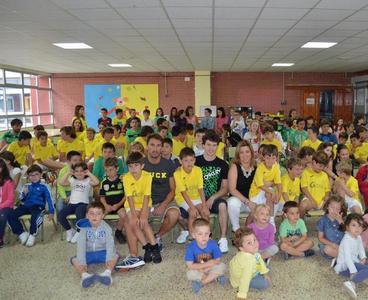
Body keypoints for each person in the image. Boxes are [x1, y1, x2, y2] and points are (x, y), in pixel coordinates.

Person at [123, 152, 162, 263]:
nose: (133, 169)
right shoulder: (126, 178)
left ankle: (155, 248)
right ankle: (147, 247)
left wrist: (144, 214)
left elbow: (146, 196)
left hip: (145, 203)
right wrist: (135, 216)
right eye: (130, 166)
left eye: (136, 166)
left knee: (144, 222)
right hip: (132, 205)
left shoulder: (147, 176)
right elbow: (129, 198)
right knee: (133, 222)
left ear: (142, 166)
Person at [195, 130, 229, 253]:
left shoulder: (223, 164)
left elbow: (225, 188)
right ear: (203, 145)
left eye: (214, 145)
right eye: (208, 145)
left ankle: (223, 239)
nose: (211, 148)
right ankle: (205, 241)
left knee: (223, 205)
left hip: (214, 197)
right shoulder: (196, 162)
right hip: (198, 198)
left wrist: (213, 197)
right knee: (200, 212)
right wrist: (204, 201)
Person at [71, 202, 118, 288]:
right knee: (75, 259)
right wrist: (82, 262)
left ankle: (107, 273)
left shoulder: (107, 228)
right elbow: (81, 246)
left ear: (103, 216)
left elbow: (110, 244)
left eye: (98, 214)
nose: (94, 216)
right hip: (88, 253)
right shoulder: (83, 228)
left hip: (103, 252)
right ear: (87, 215)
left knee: (115, 255)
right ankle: (84, 275)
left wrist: (108, 258)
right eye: (91, 213)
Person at [8, 165, 54, 247]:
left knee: (35, 217)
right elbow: (21, 200)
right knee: (11, 215)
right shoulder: (27, 186)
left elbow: (49, 199)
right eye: (31, 175)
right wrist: (24, 194)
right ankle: (21, 233)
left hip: (38, 207)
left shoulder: (44, 186)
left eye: (36, 174)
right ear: (28, 176)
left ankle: (32, 235)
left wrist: (51, 211)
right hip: (26, 206)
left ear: (41, 174)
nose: (34, 177)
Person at [174, 147, 210, 242]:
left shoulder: (198, 170)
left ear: (194, 160)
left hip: (196, 197)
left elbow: (200, 189)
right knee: (192, 213)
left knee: (204, 212)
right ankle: (192, 236)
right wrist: (192, 207)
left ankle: (206, 235)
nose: (189, 163)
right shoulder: (177, 173)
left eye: (191, 160)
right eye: (186, 160)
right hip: (183, 198)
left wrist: (204, 205)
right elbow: (183, 192)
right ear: (180, 161)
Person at [59, 162, 99, 243]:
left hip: (83, 204)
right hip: (72, 204)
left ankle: (79, 232)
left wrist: (89, 173)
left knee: (79, 213)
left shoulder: (88, 180)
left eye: (81, 171)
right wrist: (68, 173)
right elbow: (61, 183)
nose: (79, 173)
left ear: (85, 171)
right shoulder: (72, 180)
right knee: (61, 215)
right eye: (76, 171)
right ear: (73, 172)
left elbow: (97, 182)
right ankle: (70, 230)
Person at [185, 218, 226, 294]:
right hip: (199, 269)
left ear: (209, 233)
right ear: (194, 235)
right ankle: (214, 278)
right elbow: (190, 265)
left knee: (222, 266)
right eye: (200, 234)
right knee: (189, 273)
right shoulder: (191, 247)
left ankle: (202, 283)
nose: (204, 237)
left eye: (206, 233)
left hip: (211, 267)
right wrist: (204, 266)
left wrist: (208, 267)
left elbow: (217, 261)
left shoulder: (213, 244)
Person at [229, 228, 271, 300]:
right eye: (249, 243)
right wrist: (242, 294)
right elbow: (245, 278)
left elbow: (259, 261)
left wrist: (265, 273)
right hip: (241, 280)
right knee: (264, 283)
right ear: (241, 248)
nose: (254, 244)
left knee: (265, 268)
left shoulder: (252, 251)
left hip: (245, 271)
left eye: (254, 240)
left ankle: (260, 272)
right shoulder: (248, 260)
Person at [334, 213, 368, 299]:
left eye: (360, 226)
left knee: (365, 267)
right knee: (367, 270)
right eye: (354, 225)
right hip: (344, 266)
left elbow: (361, 249)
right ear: (347, 227)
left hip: (353, 262)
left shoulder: (358, 237)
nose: (357, 228)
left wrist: (363, 257)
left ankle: (356, 276)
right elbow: (348, 258)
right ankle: (352, 282)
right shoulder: (346, 240)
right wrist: (353, 272)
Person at [248, 144, 282, 227]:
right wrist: (272, 192)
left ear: (276, 158)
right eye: (267, 158)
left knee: (271, 193)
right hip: (255, 194)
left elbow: (278, 183)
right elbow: (260, 185)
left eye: (273, 158)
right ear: (263, 157)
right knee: (270, 192)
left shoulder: (276, 167)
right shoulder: (260, 167)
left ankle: (270, 220)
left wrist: (279, 195)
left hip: (266, 193)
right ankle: (248, 228)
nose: (270, 160)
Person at [227, 140, 256, 233]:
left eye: (247, 152)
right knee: (232, 202)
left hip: (252, 200)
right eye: (241, 152)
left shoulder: (257, 167)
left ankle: (253, 227)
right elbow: (232, 190)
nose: (245, 155)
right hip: (239, 200)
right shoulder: (235, 167)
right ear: (238, 154)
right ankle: (236, 229)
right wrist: (247, 202)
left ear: (251, 153)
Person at [98, 157, 126, 246]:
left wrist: (118, 205)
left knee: (124, 215)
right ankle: (99, 234)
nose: (108, 173)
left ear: (117, 169)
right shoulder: (104, 182)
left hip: (120, 205)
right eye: (106, 170)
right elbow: (102, 197)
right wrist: (106, 206)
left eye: (111, 170)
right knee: (99, 216)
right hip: (107, 206)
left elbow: (126, 196)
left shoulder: (122, 180)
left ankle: (118, 231)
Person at [299, 151, 331, 218]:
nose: (321, 168)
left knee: (335, 205)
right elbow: (304, 188)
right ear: (313, 162)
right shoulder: (306, 172)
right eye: (320, 166)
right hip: (310, 200)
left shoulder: (324, 175)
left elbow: (327, 189)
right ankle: (300, 223)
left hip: (322, 202)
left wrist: (327, 196)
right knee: (302, 206)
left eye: (323, 167)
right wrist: (312, 200)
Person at [317, 194, 345, 261]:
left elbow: (348, 233)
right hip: (330, 245)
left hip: (342, 245)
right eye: (332, 207)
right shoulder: (322, 220)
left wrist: (341, 222)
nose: (334, 210)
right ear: (327, 206)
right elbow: (320, 238)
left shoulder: (342, 219)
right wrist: (333, 245)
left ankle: (342, 257)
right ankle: (346, 257)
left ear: (340, 209)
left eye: (337, 209)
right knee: (327, 249)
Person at [0, 158, 14, 248]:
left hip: (6, 207)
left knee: (1, 217)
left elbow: (10, 199)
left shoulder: (8, 182)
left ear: (3, 168)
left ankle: (0, 237)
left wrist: (0, 206)